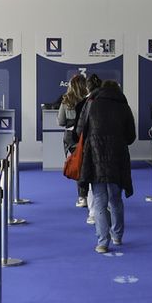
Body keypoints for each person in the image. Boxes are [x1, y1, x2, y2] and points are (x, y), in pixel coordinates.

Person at [77, 78, 136, 253]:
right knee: (116, 199)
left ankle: (103, 242)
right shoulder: (124, 106)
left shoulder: (91, 104)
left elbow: (80, 130)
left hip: (95, 157)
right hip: (118, 158)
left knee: (99, 200)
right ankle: (117, 235)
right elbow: (131, 137)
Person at [59, 73, 91, 210]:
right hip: (86, 136)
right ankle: (91, 194)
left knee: (79, 165)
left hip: (71, 138)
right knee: (89, 165)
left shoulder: (66, 101)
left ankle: (82, 197)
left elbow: (61, 121)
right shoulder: (89, 100)